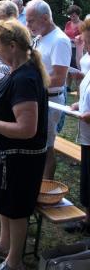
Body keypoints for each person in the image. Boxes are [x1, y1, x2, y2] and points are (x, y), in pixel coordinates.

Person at [0, 19, 48, 270]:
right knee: (5, 202)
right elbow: (7, 109)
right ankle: (4, 245)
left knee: (16, 209)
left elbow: (27, 129)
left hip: (21, 158)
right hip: (7, 154)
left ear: (12, 46)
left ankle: (14, 262)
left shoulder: (25, 78)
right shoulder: (14, 73)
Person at [26, 0, 71, 179]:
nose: (28, 25)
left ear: (45, 18)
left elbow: (59, 78)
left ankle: (45, 187)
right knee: (35, 143)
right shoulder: (40, 37)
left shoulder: (60, 40)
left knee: (46, 146)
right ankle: (34, 183)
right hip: (38, 98)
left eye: (31, 21)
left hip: (51, 101)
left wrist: (30, 84)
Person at [65, 18, 90, 234]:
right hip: (87, 131)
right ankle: (88, 220)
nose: (82, 39)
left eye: (86, 36)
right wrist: (79, 103)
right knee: (88, 176)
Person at [64, 5, 83, 91]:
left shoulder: (82, 24)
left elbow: (84, 37)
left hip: (77, 49)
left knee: (75, 68)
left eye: (74, 16)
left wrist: (75, 39)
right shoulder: (68, 23)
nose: (72, 17)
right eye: (70, 15)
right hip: (67, 48)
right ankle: (68, 86)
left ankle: (78, 86)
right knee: (67, 67)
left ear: (78, 14)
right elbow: (64, 34)